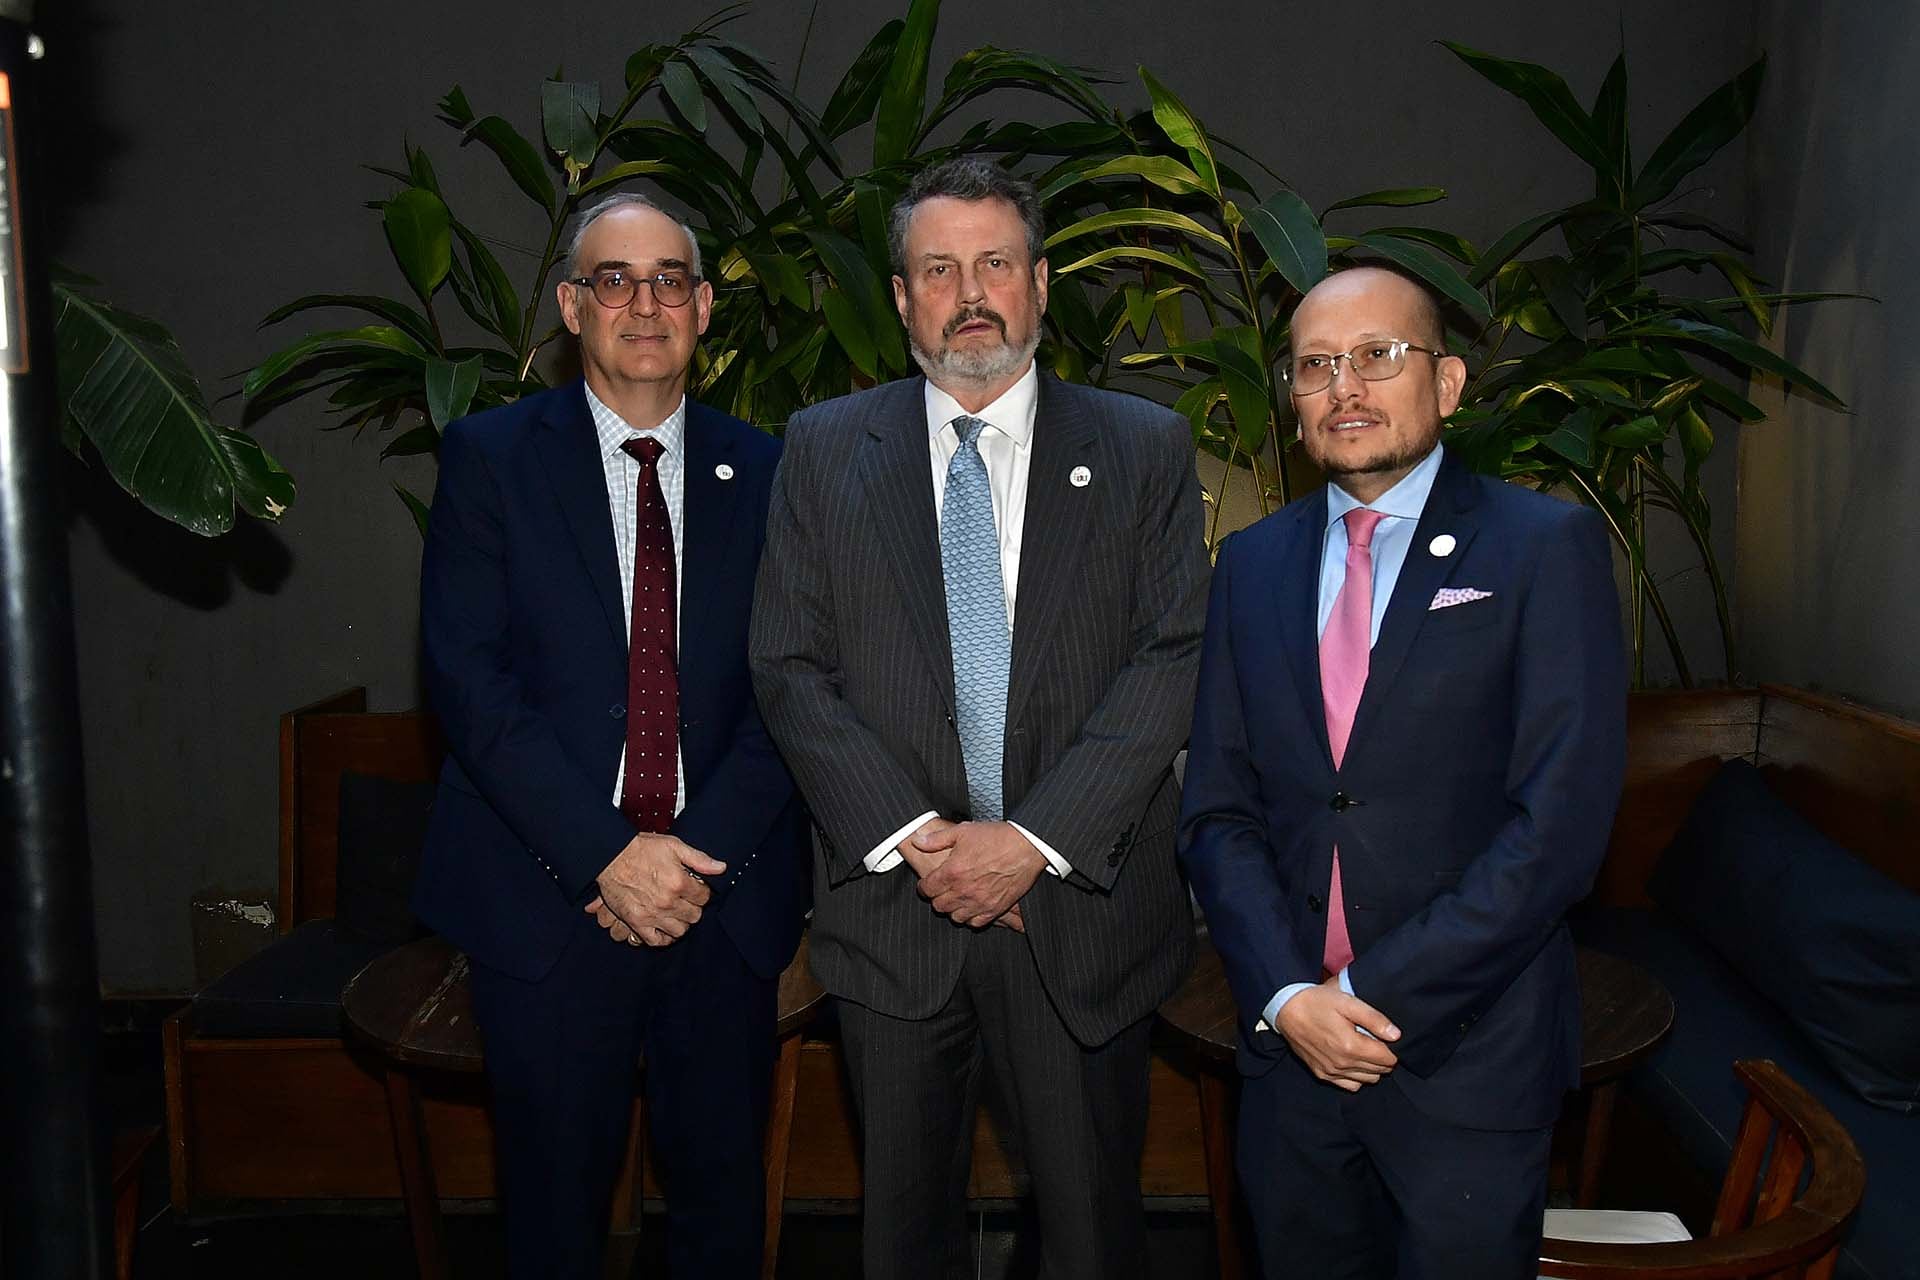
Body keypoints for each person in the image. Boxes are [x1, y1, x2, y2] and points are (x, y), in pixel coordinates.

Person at [749, 157, 1208, 1280]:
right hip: (897, 914)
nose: (970, 292)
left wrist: (1030, 845)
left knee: (1096, 1238)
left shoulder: (1144, 447)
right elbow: (788, 664)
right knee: (902, 1240)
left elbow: (1172, 658)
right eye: (937, 268)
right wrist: (925, 843)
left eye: (995, 262)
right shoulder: (821, 447)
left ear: (1042, 282)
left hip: (1077, 909)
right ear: (900, 298)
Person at [1178, 265, 1627, 1280]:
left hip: (1467, 1058)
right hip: (1291, 1054)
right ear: (1291, 400)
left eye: (1380, 355)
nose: (1348, 387)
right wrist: (1292, 994)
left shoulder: (1544, 546)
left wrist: (1371, 994)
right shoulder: (1249, 563)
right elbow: (1217, 809)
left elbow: (1557, 830)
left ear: (1451, 382)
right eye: (1316, 366)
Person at [413, 191, 808, 1279]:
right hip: (548, 899)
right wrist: (606, 853)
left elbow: (800, 686)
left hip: (719, 901)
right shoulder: (490, 458)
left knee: (723, 1218)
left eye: (669, 279)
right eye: (615, 280)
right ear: (572, 307)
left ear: (706, 307)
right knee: (552, 1222)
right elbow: (468, 681)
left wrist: (688, 864)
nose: (645, 302)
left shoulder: (775, 472)